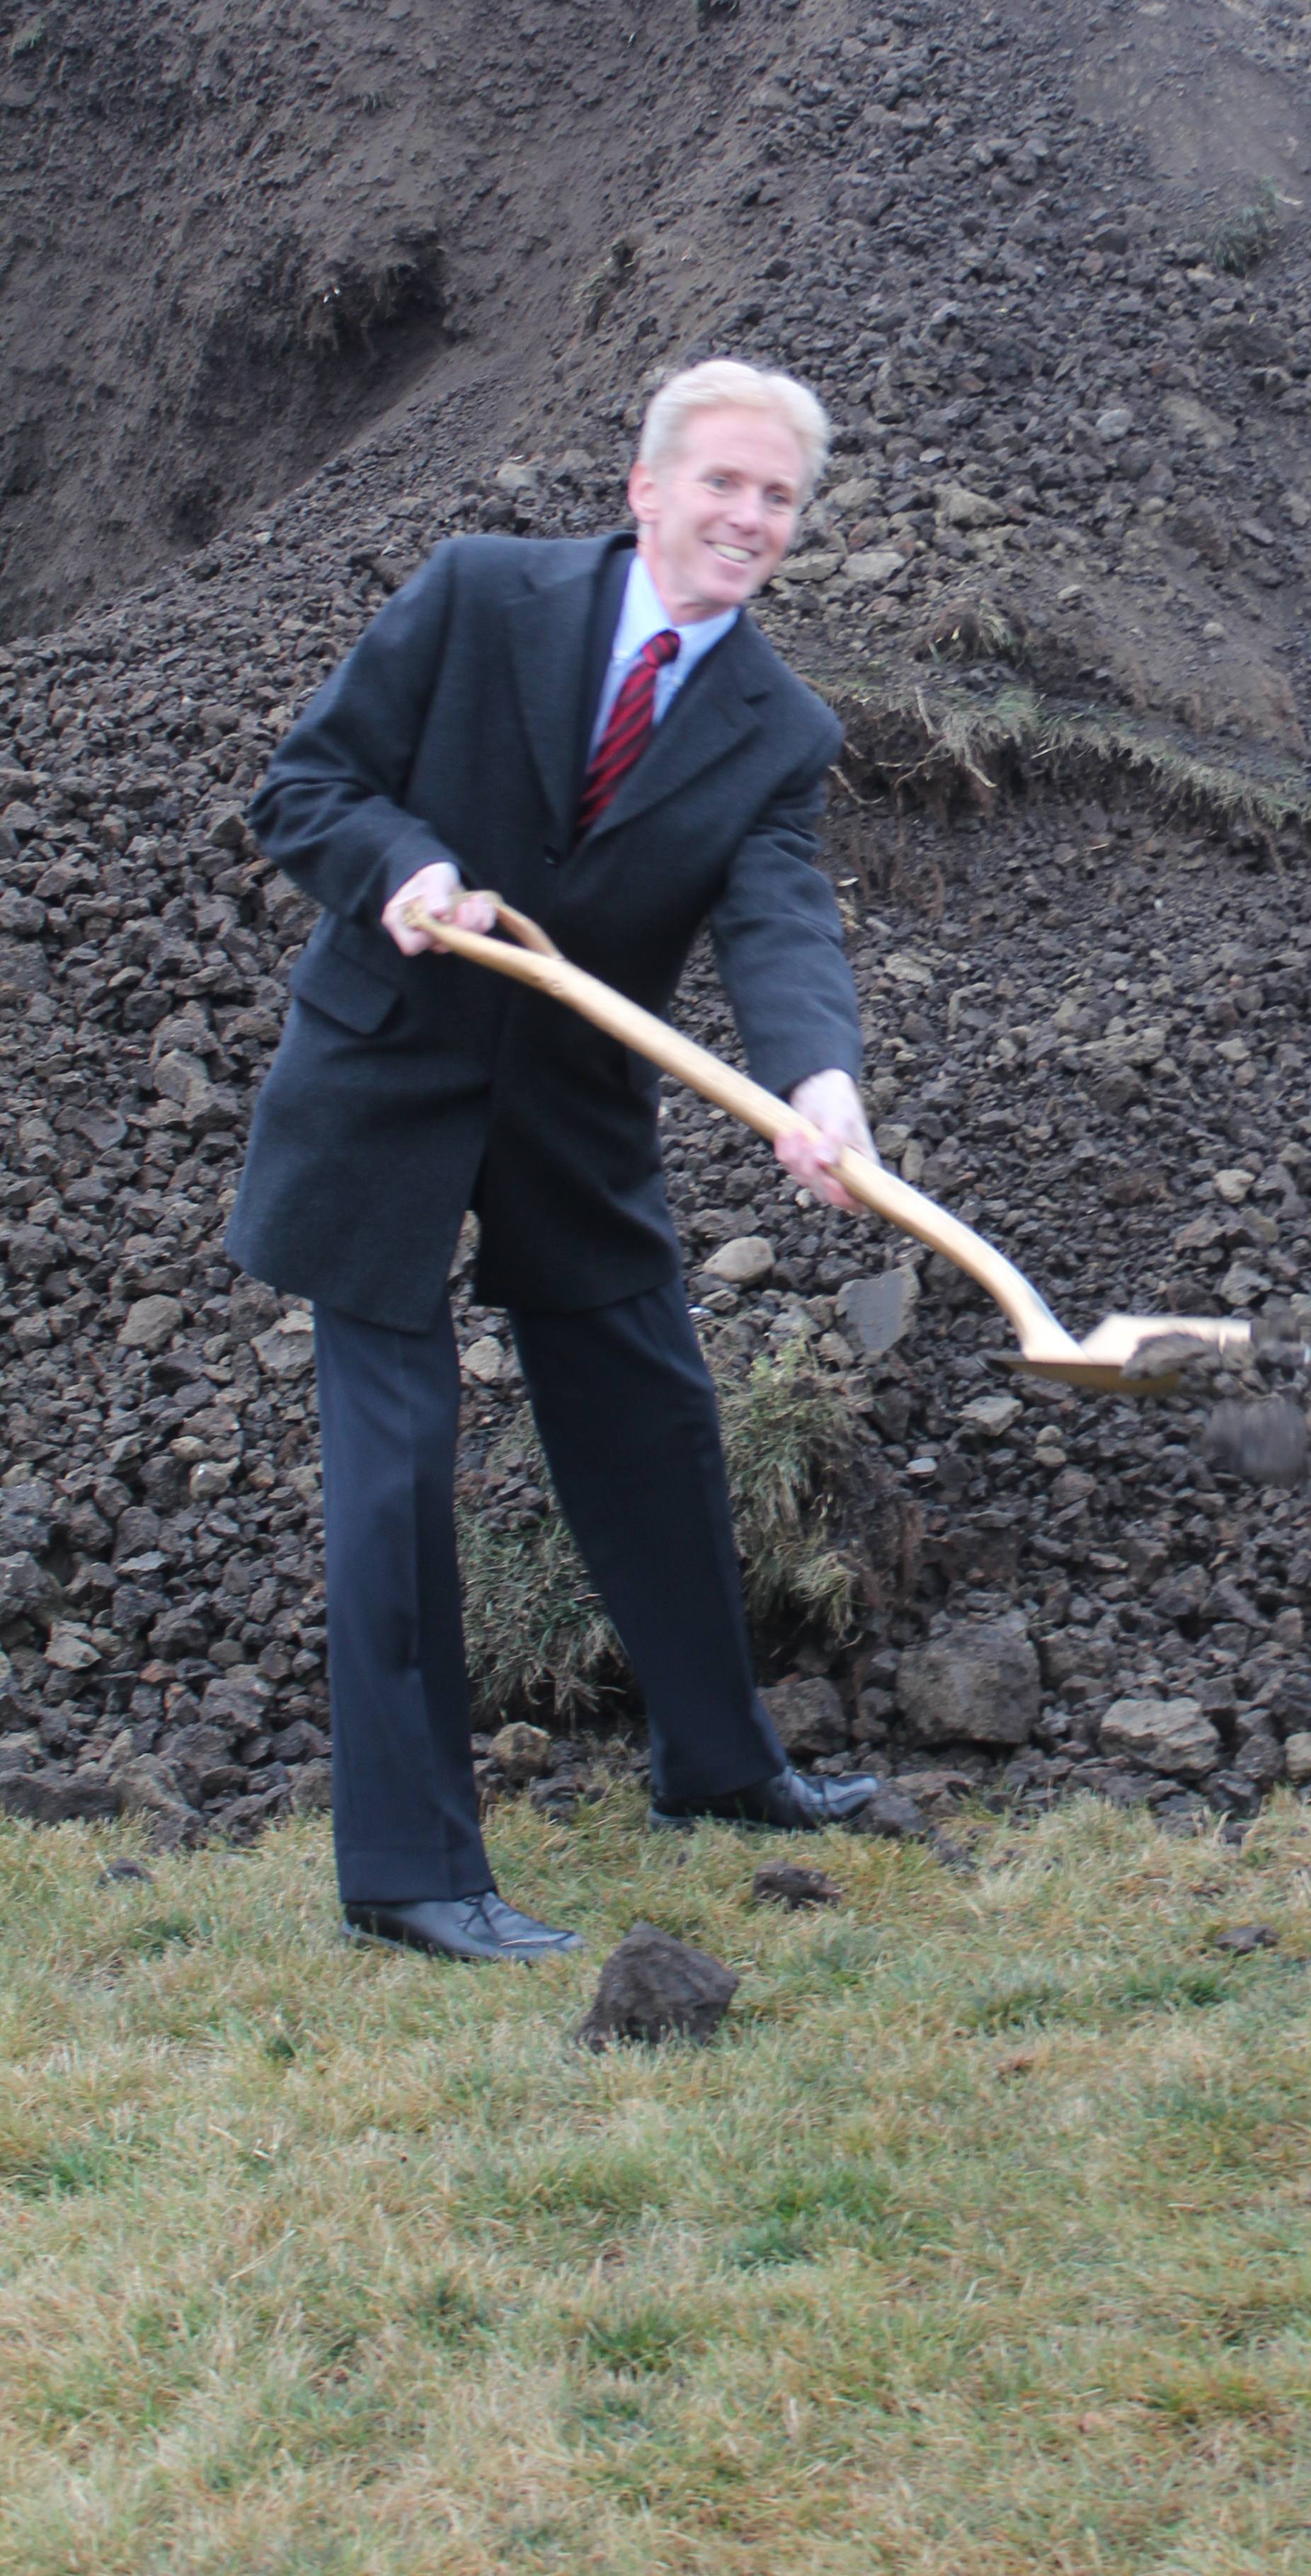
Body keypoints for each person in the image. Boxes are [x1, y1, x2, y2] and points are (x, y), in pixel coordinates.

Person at [227, 358, 882, 1960]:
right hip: (384, 1084)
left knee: (653, 1415)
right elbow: (306, 788)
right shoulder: (479, 596)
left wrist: (821, 1080)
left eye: (776, 497)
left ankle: (719, 1767)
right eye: (721, 482)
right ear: (647, 487)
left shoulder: (777, 725)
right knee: (398, 1466)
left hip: (575, 1110)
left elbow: (778, 914)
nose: (747, 516)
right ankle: (408, 1869)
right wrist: (405, 865)